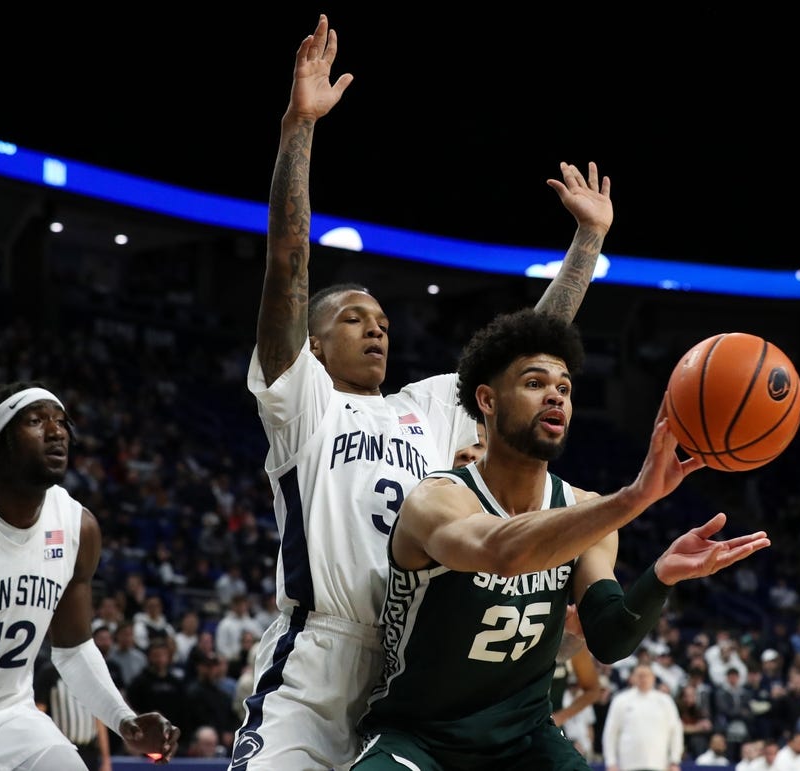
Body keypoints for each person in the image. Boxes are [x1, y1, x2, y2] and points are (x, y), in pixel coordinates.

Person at [232, 14, 614, 771]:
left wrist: (586, 246)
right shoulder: (303, 398)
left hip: (418, 664)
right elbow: (287, 264)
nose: (374, 330)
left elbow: (525, 353)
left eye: (380, 319)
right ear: (312, 345)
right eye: (352, 319)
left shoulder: (428, 404)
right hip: (319, 656)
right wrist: (297, 130)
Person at [352, 309, 770, 769]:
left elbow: (609, 639)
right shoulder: (437, 500)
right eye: (534, 384)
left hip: (524, 740)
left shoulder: (583, 509)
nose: (555, 395)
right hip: (418, 737)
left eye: (565, 388)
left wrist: (661, 577)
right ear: (487, 401)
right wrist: (633, 498)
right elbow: (503, 551)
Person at [0, 381, 180, 769]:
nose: (57, 432)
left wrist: (125, 720)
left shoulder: (77, 527)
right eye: (35, 421)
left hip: (9, 715)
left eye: (61, 422)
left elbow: (73, 650)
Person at [602, 663, 684, 771]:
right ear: (633, 678)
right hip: (628, 765)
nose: (643, 679)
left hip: (659, 764)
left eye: (647, 675)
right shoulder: (620, 700)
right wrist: (611, 762)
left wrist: (674, 760)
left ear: (653, 678)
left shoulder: (665, 701)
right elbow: (610, 733)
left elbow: (676, 732)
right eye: (640, 675)